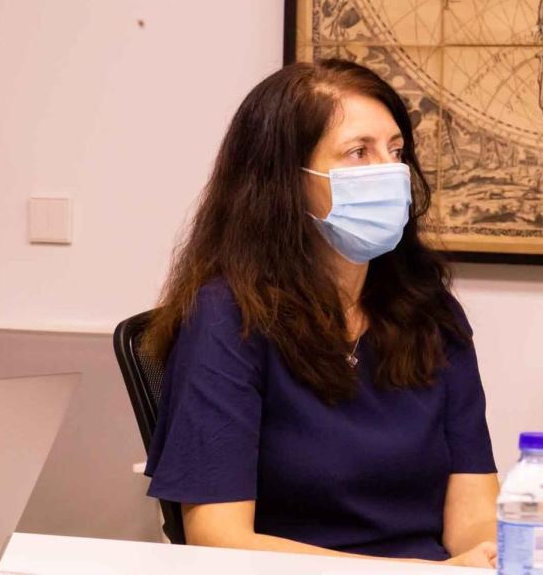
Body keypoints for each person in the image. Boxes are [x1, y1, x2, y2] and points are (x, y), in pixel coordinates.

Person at [141, 58, 499, 568]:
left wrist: (482, 555)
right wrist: (416, 573)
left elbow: (472, 501)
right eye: (359, 152)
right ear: (286, 181)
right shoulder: (229, 317)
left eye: (395, 151)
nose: (388, 172)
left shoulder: (428, 309)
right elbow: (218, 537)